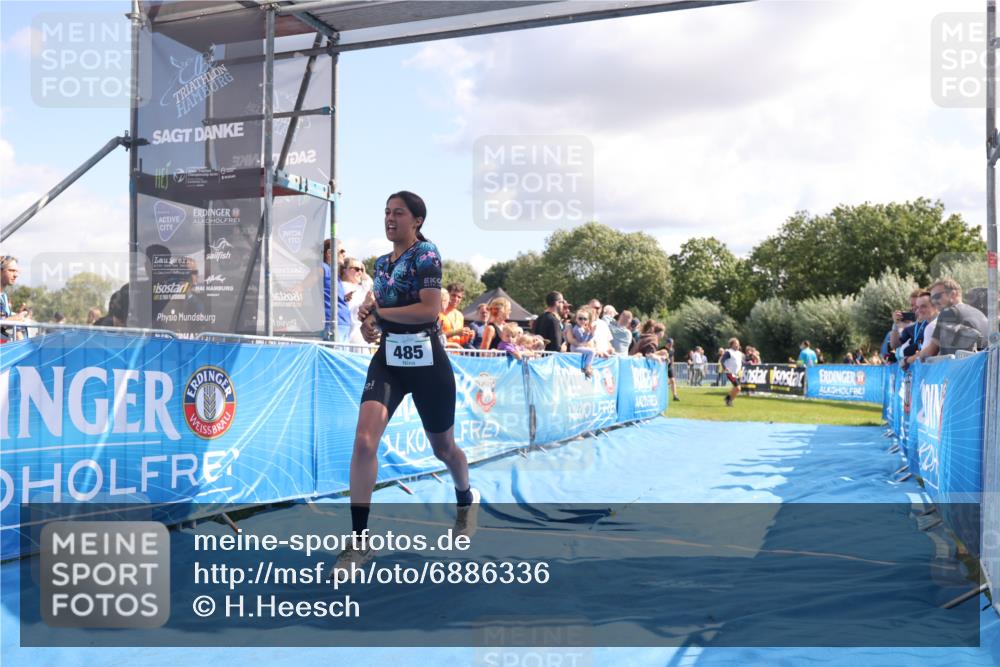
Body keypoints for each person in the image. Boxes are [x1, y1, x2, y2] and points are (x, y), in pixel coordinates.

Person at [341, 190, 478, 570]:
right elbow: (377, 311)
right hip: (389, 360)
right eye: (385, 212)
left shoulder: (427, 253)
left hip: (428, 359)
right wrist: (370, 324)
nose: (389, 218)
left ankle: (465, 497)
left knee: (444, 450)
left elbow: (428, 308)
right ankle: (359, 542)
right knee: (365, 440)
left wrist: (381, 316)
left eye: (398, 213)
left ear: (416, 220)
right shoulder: (381, 263)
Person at [922, 278, 989, 357]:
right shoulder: (978, 313)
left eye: (937, 296)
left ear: (953, 294)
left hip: (962, 367)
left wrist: (910, 359)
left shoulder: (948, 312)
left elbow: (930, 352)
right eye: (932, 299)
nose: (934, 302)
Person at [0, 255, 29, 343]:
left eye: (16, 271)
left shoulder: (4, 297)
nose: (16, 275)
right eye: (11, 270)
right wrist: (12, 320)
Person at [440, 283, 474, 347]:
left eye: (459, 297)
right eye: (453, 295)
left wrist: (468, 336)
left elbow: (460, 341)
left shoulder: (460, 315)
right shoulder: (439, 313)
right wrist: (455, 332)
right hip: (442, 352)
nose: (456, 299)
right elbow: (435, 337)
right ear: (447, 295)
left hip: (456, 354)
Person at [566, 307, 596, 377]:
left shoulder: (582, 328)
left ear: (588, 321)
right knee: (592, 351)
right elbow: (582, 340)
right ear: (576, 319)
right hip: (575, 348)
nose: (582, 320)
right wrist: (587, 333)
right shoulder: (577, 329)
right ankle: (587, 367)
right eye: (580, 318)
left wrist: (591, 333)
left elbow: (587, 340)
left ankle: (587, 366)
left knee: (592, 351)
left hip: (579, 347)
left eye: (585, 319)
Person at [721, 337, 744, 407]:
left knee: (737, 389)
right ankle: (729, 400)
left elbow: (742, 362)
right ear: (732, 345)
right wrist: (725, 368)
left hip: (737, 373)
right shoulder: (729, 352)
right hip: (730, 373)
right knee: (738, 388)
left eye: (738, 344)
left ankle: (728, 399)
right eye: (736, 344)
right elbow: (722, 360)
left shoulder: (739, 353)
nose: (738, 345)